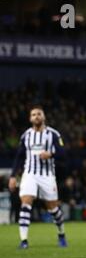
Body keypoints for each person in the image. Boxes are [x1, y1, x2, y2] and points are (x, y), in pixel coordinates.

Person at [8, 106, 67, 249]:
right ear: (30, 118)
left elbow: (63, 153)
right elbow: (19, 157)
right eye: (33, 114)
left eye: (39, 114)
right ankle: (24, 241)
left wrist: (50, 154)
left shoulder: (53, 134)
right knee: (26, 202)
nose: (36, 116)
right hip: (29, 174)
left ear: (44, 117)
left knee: (53, 208)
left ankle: (61, 234)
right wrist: (13, 176)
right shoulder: (26, 135)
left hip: (47, 175)